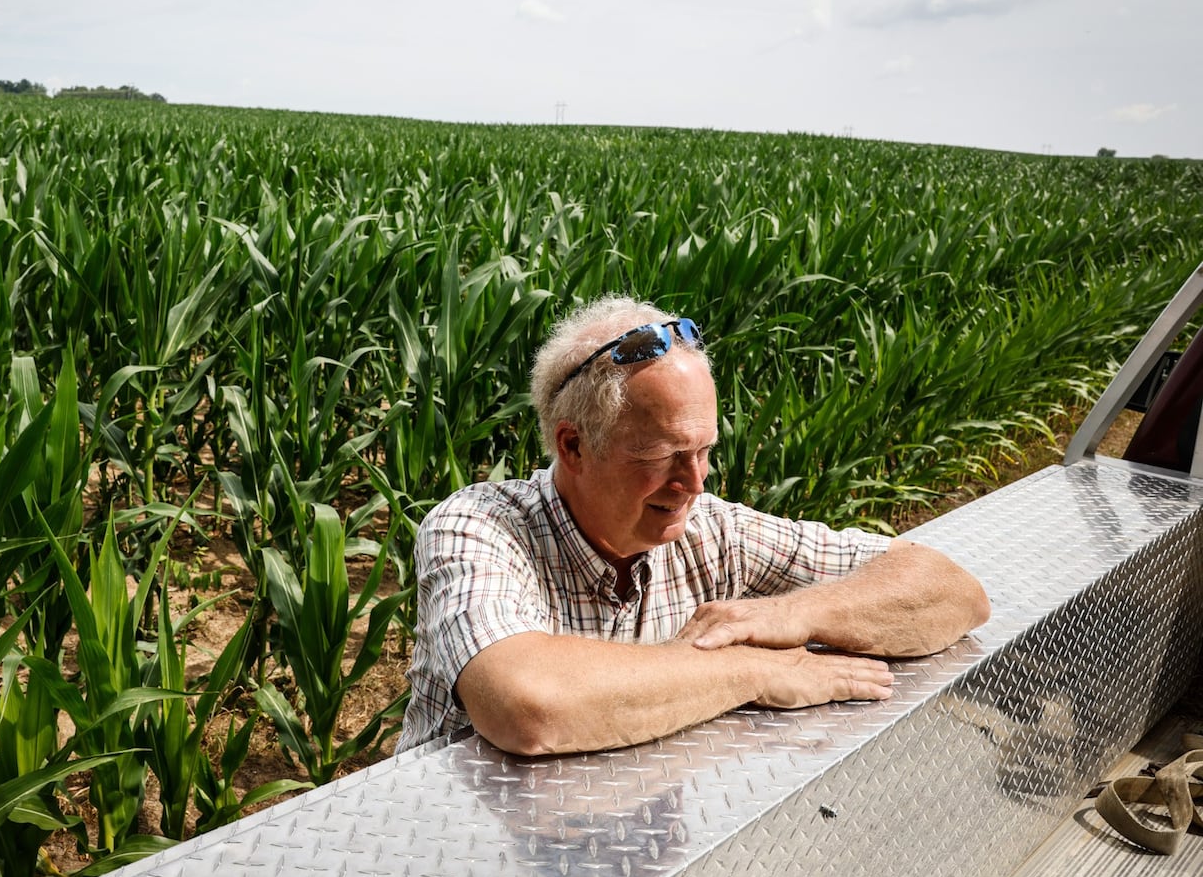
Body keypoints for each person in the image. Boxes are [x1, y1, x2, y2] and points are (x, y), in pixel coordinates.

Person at [399, 296, 991, 755]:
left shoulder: (712, 532)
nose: (695, 482)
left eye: (703, 449)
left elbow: (952, 591)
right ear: (574, 446)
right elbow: (529, 706)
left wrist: (790, 614)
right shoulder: (479, 527)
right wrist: (751, 669)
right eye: (662, 456)